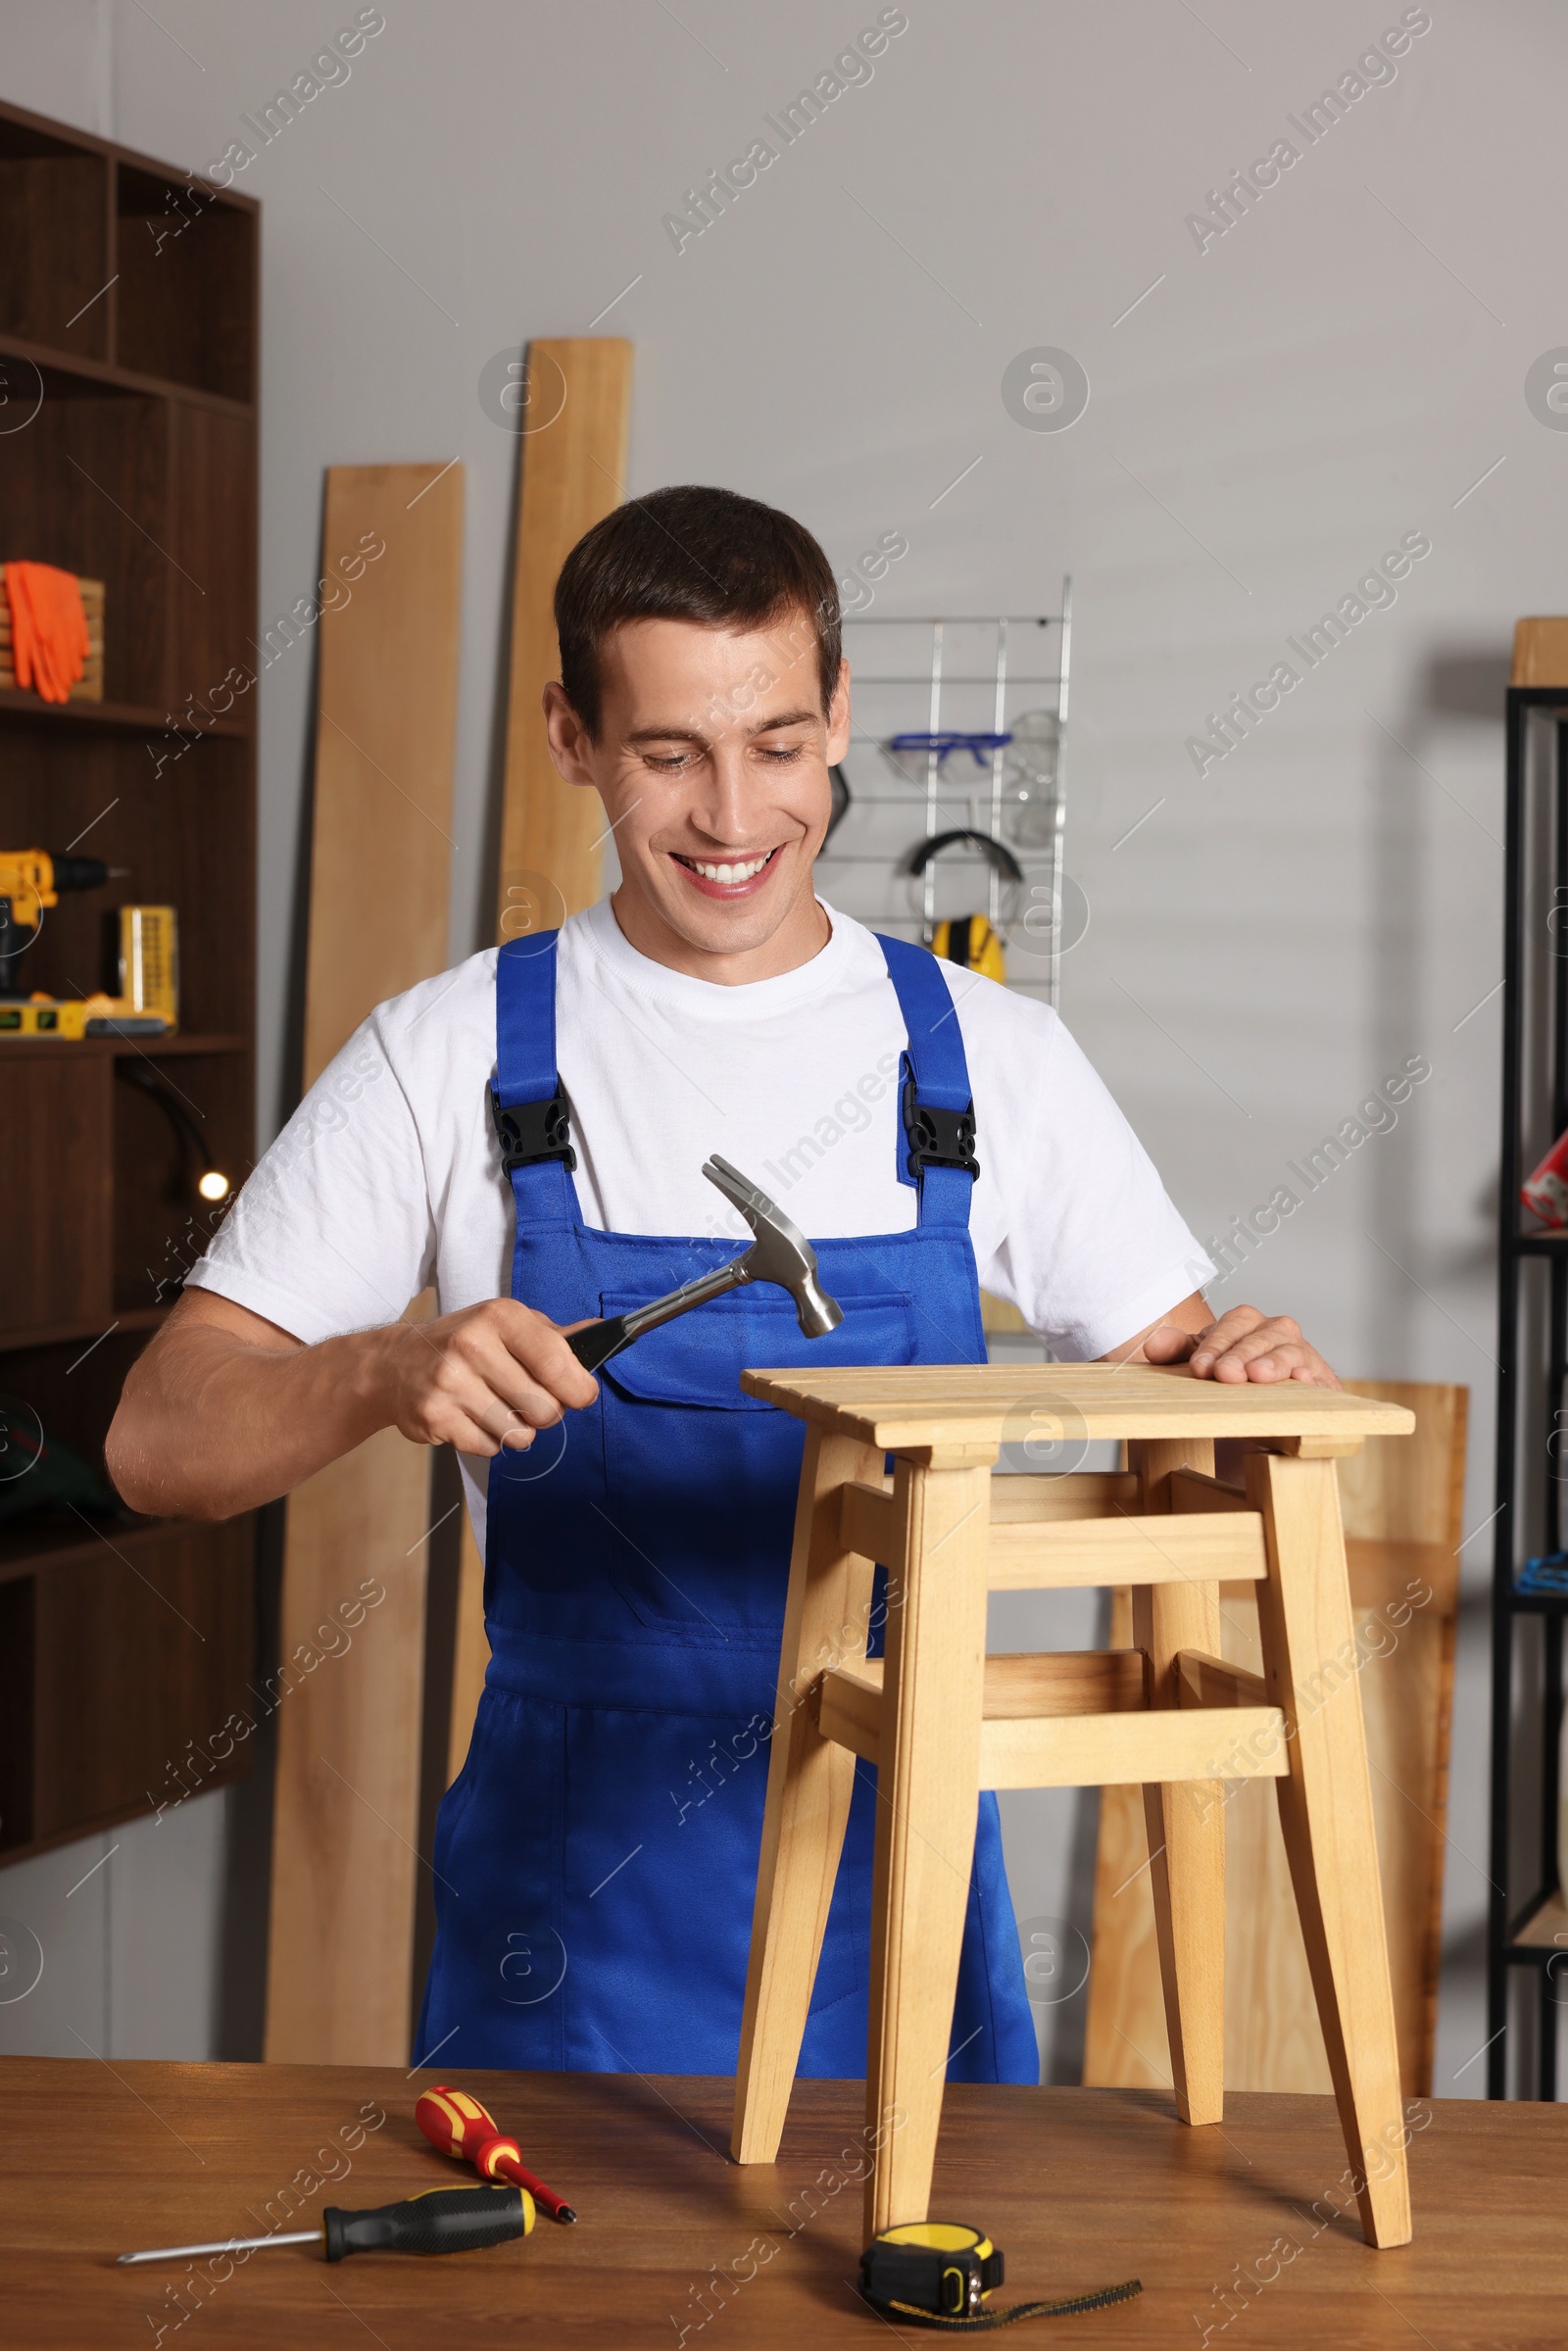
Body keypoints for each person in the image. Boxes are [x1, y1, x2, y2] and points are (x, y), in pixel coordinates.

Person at [106, 483, 1339, 2084]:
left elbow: (1182, 1411)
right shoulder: (455, 1049)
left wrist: (1239, 1373)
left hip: (901, 1874)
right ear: (571, 736)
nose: (732, 813)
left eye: (774, 744)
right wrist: (381, 1369)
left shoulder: (986, 1060)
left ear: (838, 723)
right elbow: (155, 1444)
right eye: (667, 752)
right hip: (581, 1906)